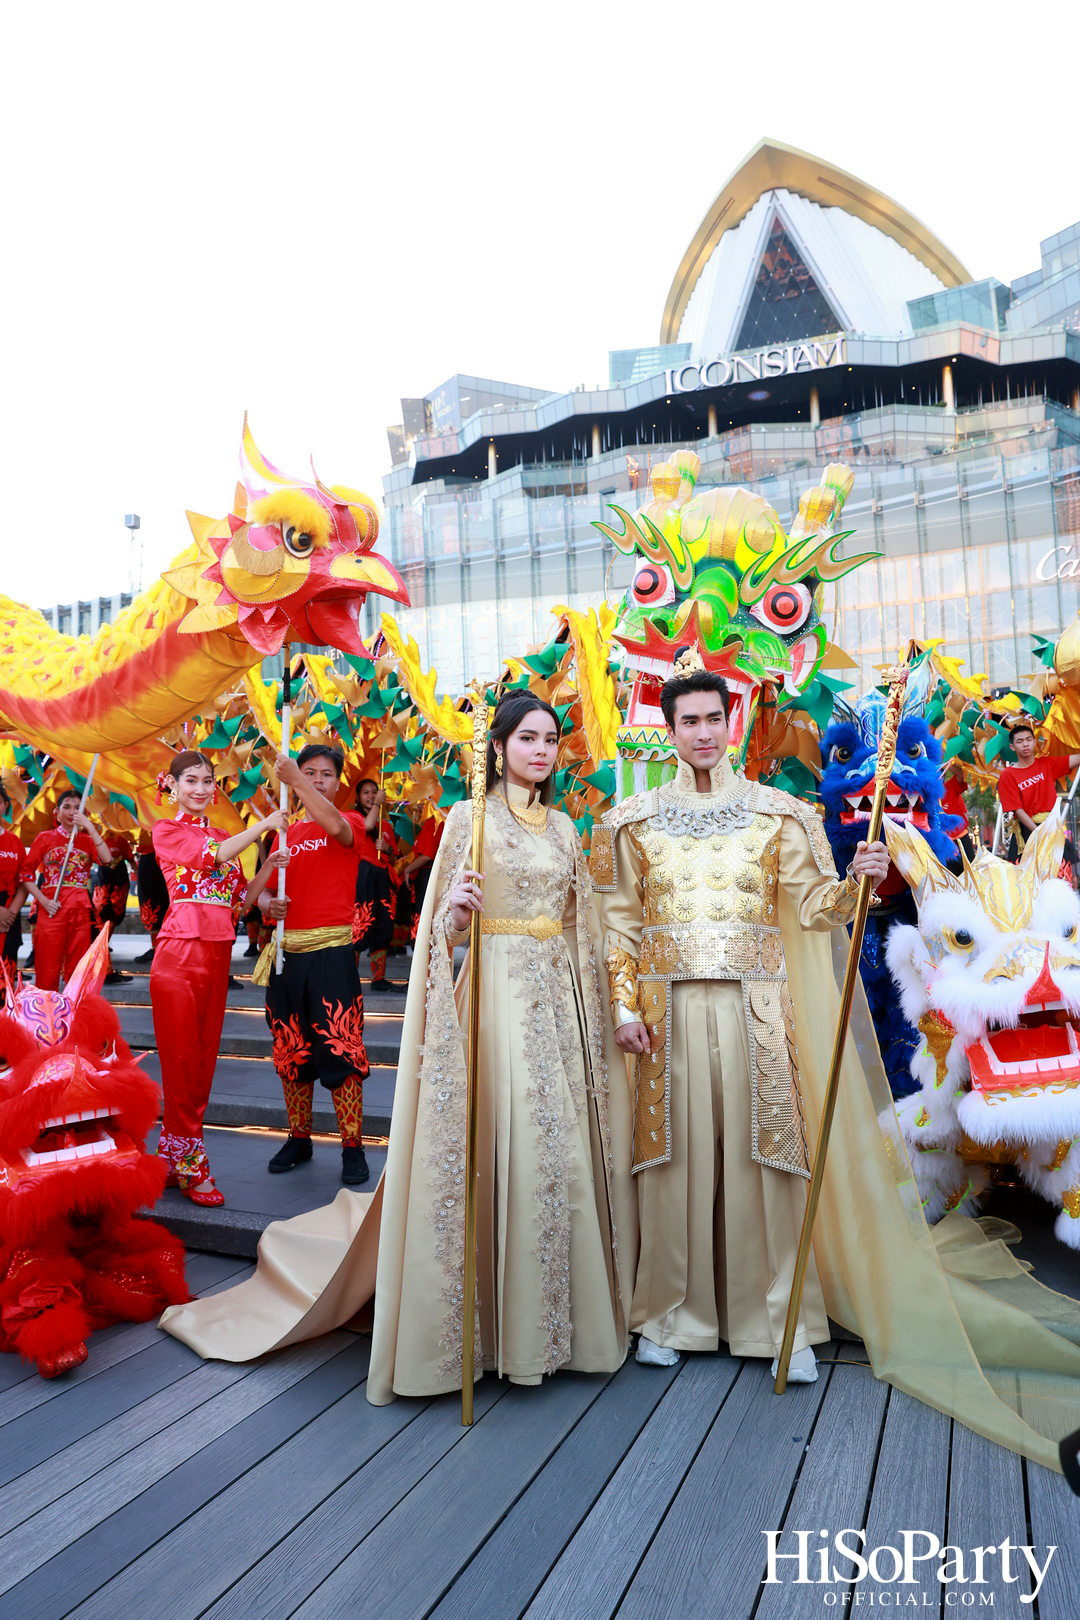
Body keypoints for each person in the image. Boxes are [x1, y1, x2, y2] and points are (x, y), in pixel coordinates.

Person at [160, 693, 635, 1407]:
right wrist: (455, 913)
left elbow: (583, 922)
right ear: (498, 747)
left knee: (553, 1147)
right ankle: (486, 1324)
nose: (542, 750)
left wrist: (605, 1003)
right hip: (494, 994)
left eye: (552, 740)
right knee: (496, 1142)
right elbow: (437, 926)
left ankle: (554, 1323)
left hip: (556, 1003)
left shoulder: (568, 827)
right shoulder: (470, 821)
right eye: (527, 738)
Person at [591, 660, 888, 1382]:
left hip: (759, 1005)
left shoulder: (781, 813)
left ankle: (780, 1319)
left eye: (712, 718)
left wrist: (858, 882)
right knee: (672, 1163)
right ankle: (667, 1315)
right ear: (669, 731)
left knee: (771, 1162)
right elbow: (616, 924)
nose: (701, 732)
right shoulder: (626, 822)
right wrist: (625, 1008)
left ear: (734, 722)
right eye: (687, 721)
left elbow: (814, 905)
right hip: (667, 1014)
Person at [151, 751, 286, 1207]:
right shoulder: (166, 831)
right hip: (178, 958)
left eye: (209, 781)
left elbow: (238, 905)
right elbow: (212, 859)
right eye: (191, 781)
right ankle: (194, 1169)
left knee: (202, 1066)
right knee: (182, 1064)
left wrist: (270, 866)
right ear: (171, 785)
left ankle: (173, 1160)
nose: (202, 789)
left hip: (215, 956)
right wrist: (264, 824)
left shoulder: (222, 834)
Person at [252, 743, 372, 1187]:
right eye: (309, 772)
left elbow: (338, 827)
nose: (318, 779)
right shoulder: (279, 834)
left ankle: (352, 1146)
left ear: (337, 782)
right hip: (286, 955)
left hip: (332, 955)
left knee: (341, 1049)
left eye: (325, 774)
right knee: (291, 1051)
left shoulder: (351, 822)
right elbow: (259, 889)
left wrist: (295, 781)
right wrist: (270, 903)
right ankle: (299, 1137)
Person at [23, 790, 114, 990]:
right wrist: (43, 901)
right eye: (67, 807)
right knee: (48, 965)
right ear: (57, 811)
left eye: (77, 808)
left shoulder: (88, 841)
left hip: (80, 910)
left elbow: (107, 859)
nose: (72, 812)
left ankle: (73, 1015)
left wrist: (90, 827)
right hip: (51, 908)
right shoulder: (45, 838)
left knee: (78, 965)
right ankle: (46, 1014)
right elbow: (26, 874)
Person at [997, 722, 1080, 861]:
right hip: (1028, 830)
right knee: (1026, 876)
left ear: (1035, 742)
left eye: (1029, 740)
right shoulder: (1008, 775)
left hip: (1052, 826)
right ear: (1012, 747)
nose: (1025, 744)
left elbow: (1073, 759)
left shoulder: (1046, 764)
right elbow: (1017, 809)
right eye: (1020, 741)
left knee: (1069, 865)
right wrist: (1038, 832)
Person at [353, 777, 400, 991]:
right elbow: (366, 825)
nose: (371, 796)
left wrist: (388, 849)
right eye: (366, 793)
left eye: (374, 792)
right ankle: (348, 977)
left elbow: (394, 857)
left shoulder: (386, 825)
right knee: (359, 926)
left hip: (382, 879)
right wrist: (379, 804)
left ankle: (378, 979)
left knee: (384, 927)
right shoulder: (353, 817)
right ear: (358, 797)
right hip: (362, 877)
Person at [91, 827, 135, 984]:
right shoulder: (93, 834)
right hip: (102, 877)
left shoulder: (121, 838)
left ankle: (104, 943)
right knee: (100, 912)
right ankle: (101, 952)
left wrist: (139, 876)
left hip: (118, 877)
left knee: (115, 912)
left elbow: (130, 859)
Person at [0, 786, 27, 974]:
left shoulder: (14, 841)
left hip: (9, 916)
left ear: (5, 805)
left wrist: (10, 914)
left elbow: (24, 882)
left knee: (6, 978)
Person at [135, 831, 169, 962]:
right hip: (149, 856)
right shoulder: (145, 811)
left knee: (169, 904)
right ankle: (156, 947)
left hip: (169, 856)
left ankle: (164, 948)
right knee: (150, 906)